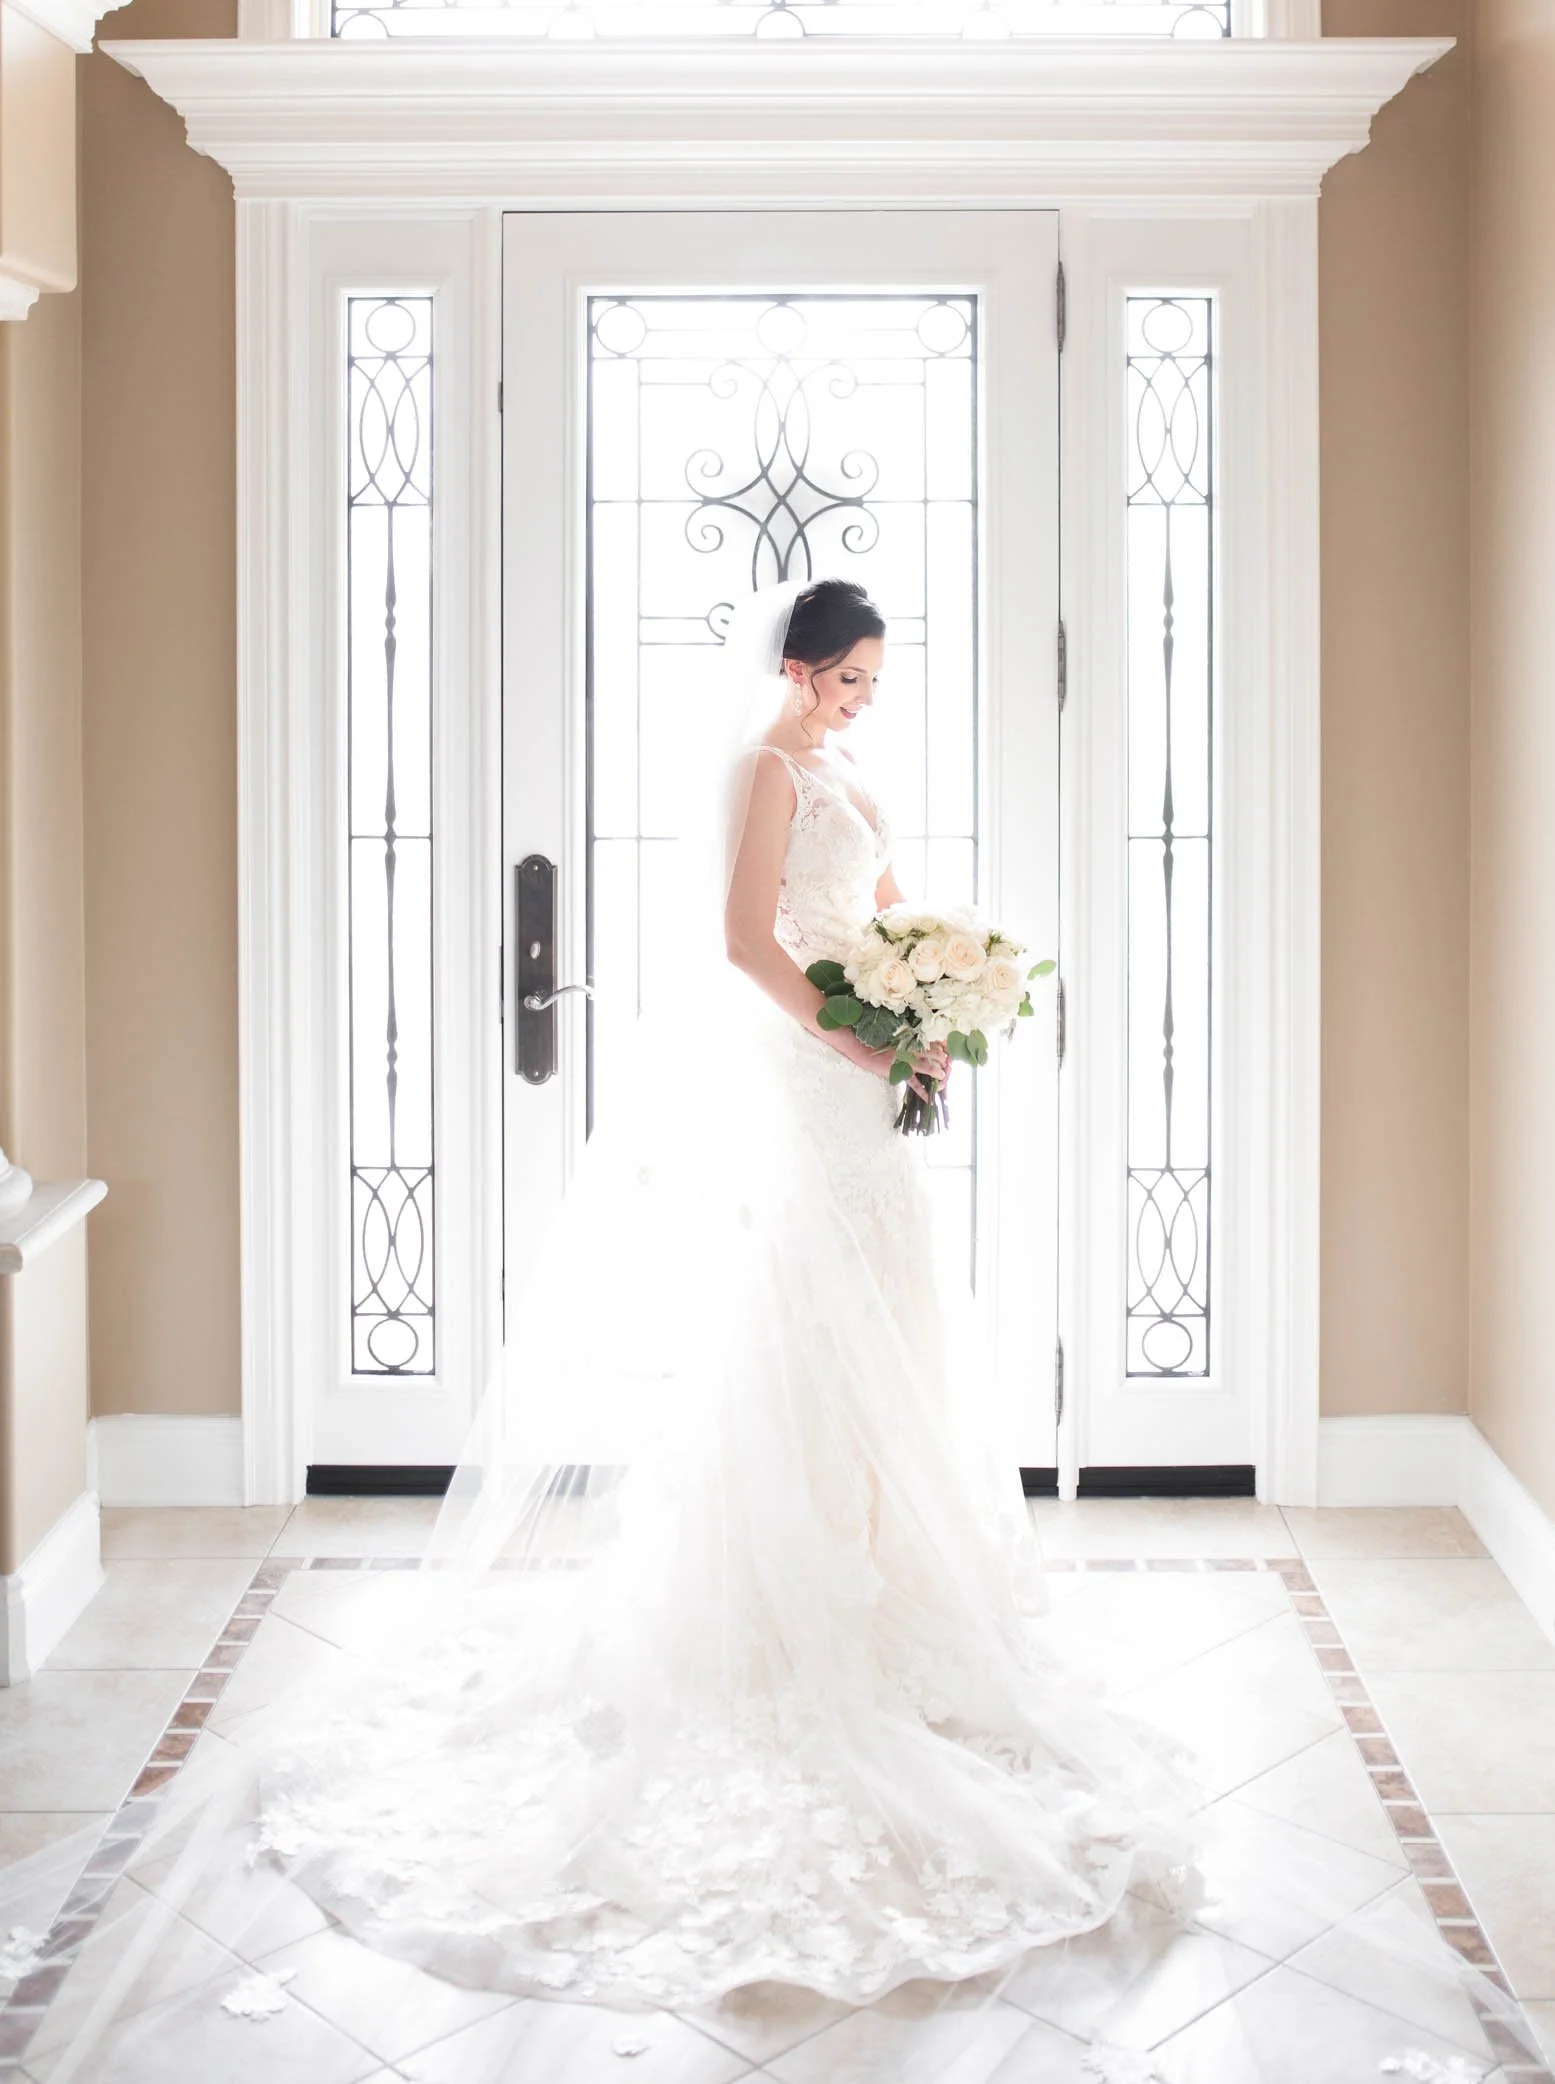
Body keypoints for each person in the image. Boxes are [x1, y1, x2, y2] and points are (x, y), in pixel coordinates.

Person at [244, 576, 1194, 2006]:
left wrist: (941, 997)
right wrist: (870, 1040)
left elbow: (882, 915)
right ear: (803, 669)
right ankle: (782, 1600)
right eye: (851, 678)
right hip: (811, 1083)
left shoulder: (845, 771)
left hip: (868, 1085)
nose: (864, 699)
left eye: (872, 682)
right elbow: (748, 944)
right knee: (804, 1321)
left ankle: (901, 1590)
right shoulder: (764, 768)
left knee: (894, 1320)